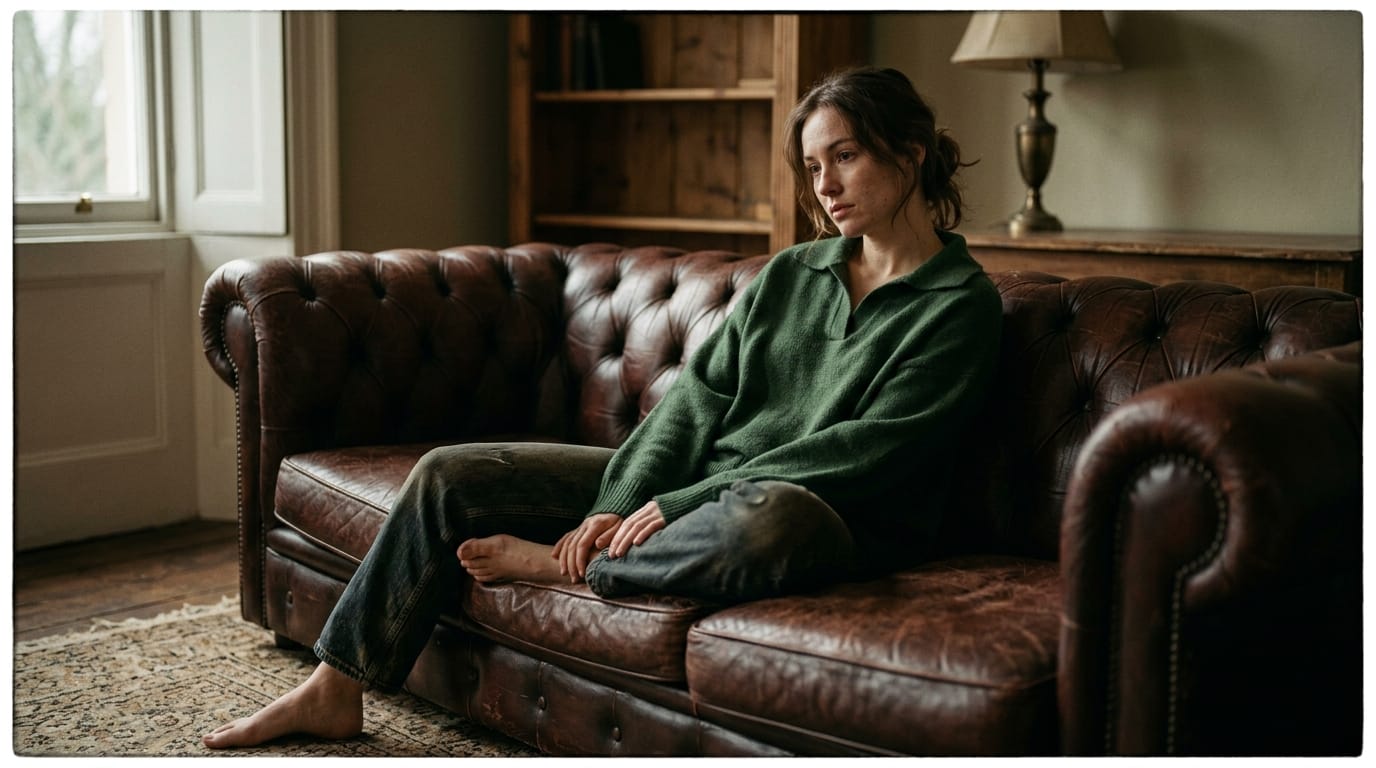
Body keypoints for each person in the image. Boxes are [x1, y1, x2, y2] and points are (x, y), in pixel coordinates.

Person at [202, 65, 1001, 749]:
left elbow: (863, 450)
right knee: (449, 476)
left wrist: (676, 504)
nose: (824, 187)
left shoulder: (960, 307)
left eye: (846, 157)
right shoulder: (796, 273)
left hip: (824, 515)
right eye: (814, 165)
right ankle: (335, 685)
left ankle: (568, 566)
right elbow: (698, 400)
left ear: (910, 152)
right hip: (695, 492)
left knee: (770, 519)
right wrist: (620, 499)